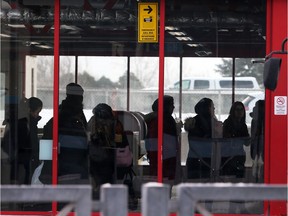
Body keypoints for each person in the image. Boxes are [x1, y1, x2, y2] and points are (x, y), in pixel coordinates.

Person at [40, 83, 89, 184]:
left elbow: (47, 139)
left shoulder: (58, 116)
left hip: (57, 169)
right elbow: (85, 143)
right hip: (75, 169)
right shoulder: (78, 118)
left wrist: (46, 163)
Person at [1, 97, 43, 184]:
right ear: (29, 110)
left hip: (17, 163)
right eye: (37, 112)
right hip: (23, 163)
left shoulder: (17, 121)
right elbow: (32, 144)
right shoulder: (26, 123)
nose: (37, 115)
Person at [184, 97, 222, 178]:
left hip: (195, 159)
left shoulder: (194, 122)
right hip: (205, 160)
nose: (214, 109)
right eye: (212, 107)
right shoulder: (210, 123)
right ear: (207, 108)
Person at [144, 95, 181, 180]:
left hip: (159, 155)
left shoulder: (156, 118)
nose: (173, 107)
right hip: (164, 155)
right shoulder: (163, 120)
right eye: (172, 104)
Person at [87, 103, 117, 198]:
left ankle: (97, 195)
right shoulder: (113, 123)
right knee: (107, 178)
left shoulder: (92, 121)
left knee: (96, 177)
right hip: (109, 155)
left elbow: (88, 136)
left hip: (94, 154)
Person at [222, 101, 249, 177]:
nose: (239, 112)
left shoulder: (243, 125)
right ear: (233, 111)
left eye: (241, 109)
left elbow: (247, 143)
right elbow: (227, 139)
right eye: (237, 109)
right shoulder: (227, 123)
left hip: (239, 155)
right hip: (228, 156)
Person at [250, 100, 265, 182]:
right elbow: (253, 134)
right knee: (256, 161)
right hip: (257, 141)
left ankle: (258, 175)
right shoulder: (255, 121)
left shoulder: (265, 121)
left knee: (260, 161)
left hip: (260, 141)